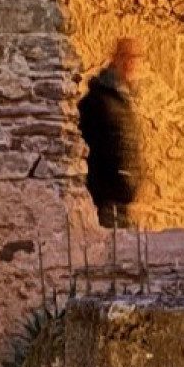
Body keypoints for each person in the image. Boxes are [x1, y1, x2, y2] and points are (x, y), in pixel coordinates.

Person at [76, 38, 144, 232]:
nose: (132, 63)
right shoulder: (99, 100)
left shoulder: (123, 99)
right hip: (106, 203)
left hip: (122, 203)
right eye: (128, 57)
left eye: (136, 57)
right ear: (116, 58)